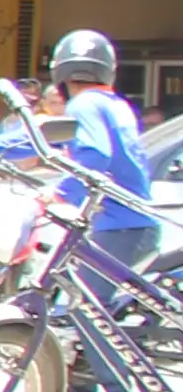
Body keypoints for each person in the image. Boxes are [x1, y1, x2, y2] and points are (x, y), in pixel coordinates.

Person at [44, 29, 158, 269]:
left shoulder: (83, 103)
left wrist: (61, 194)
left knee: (81, 305)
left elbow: (94, 154)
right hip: (136, 224)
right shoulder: (115, 104)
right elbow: (37, 136)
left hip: (116, 227)